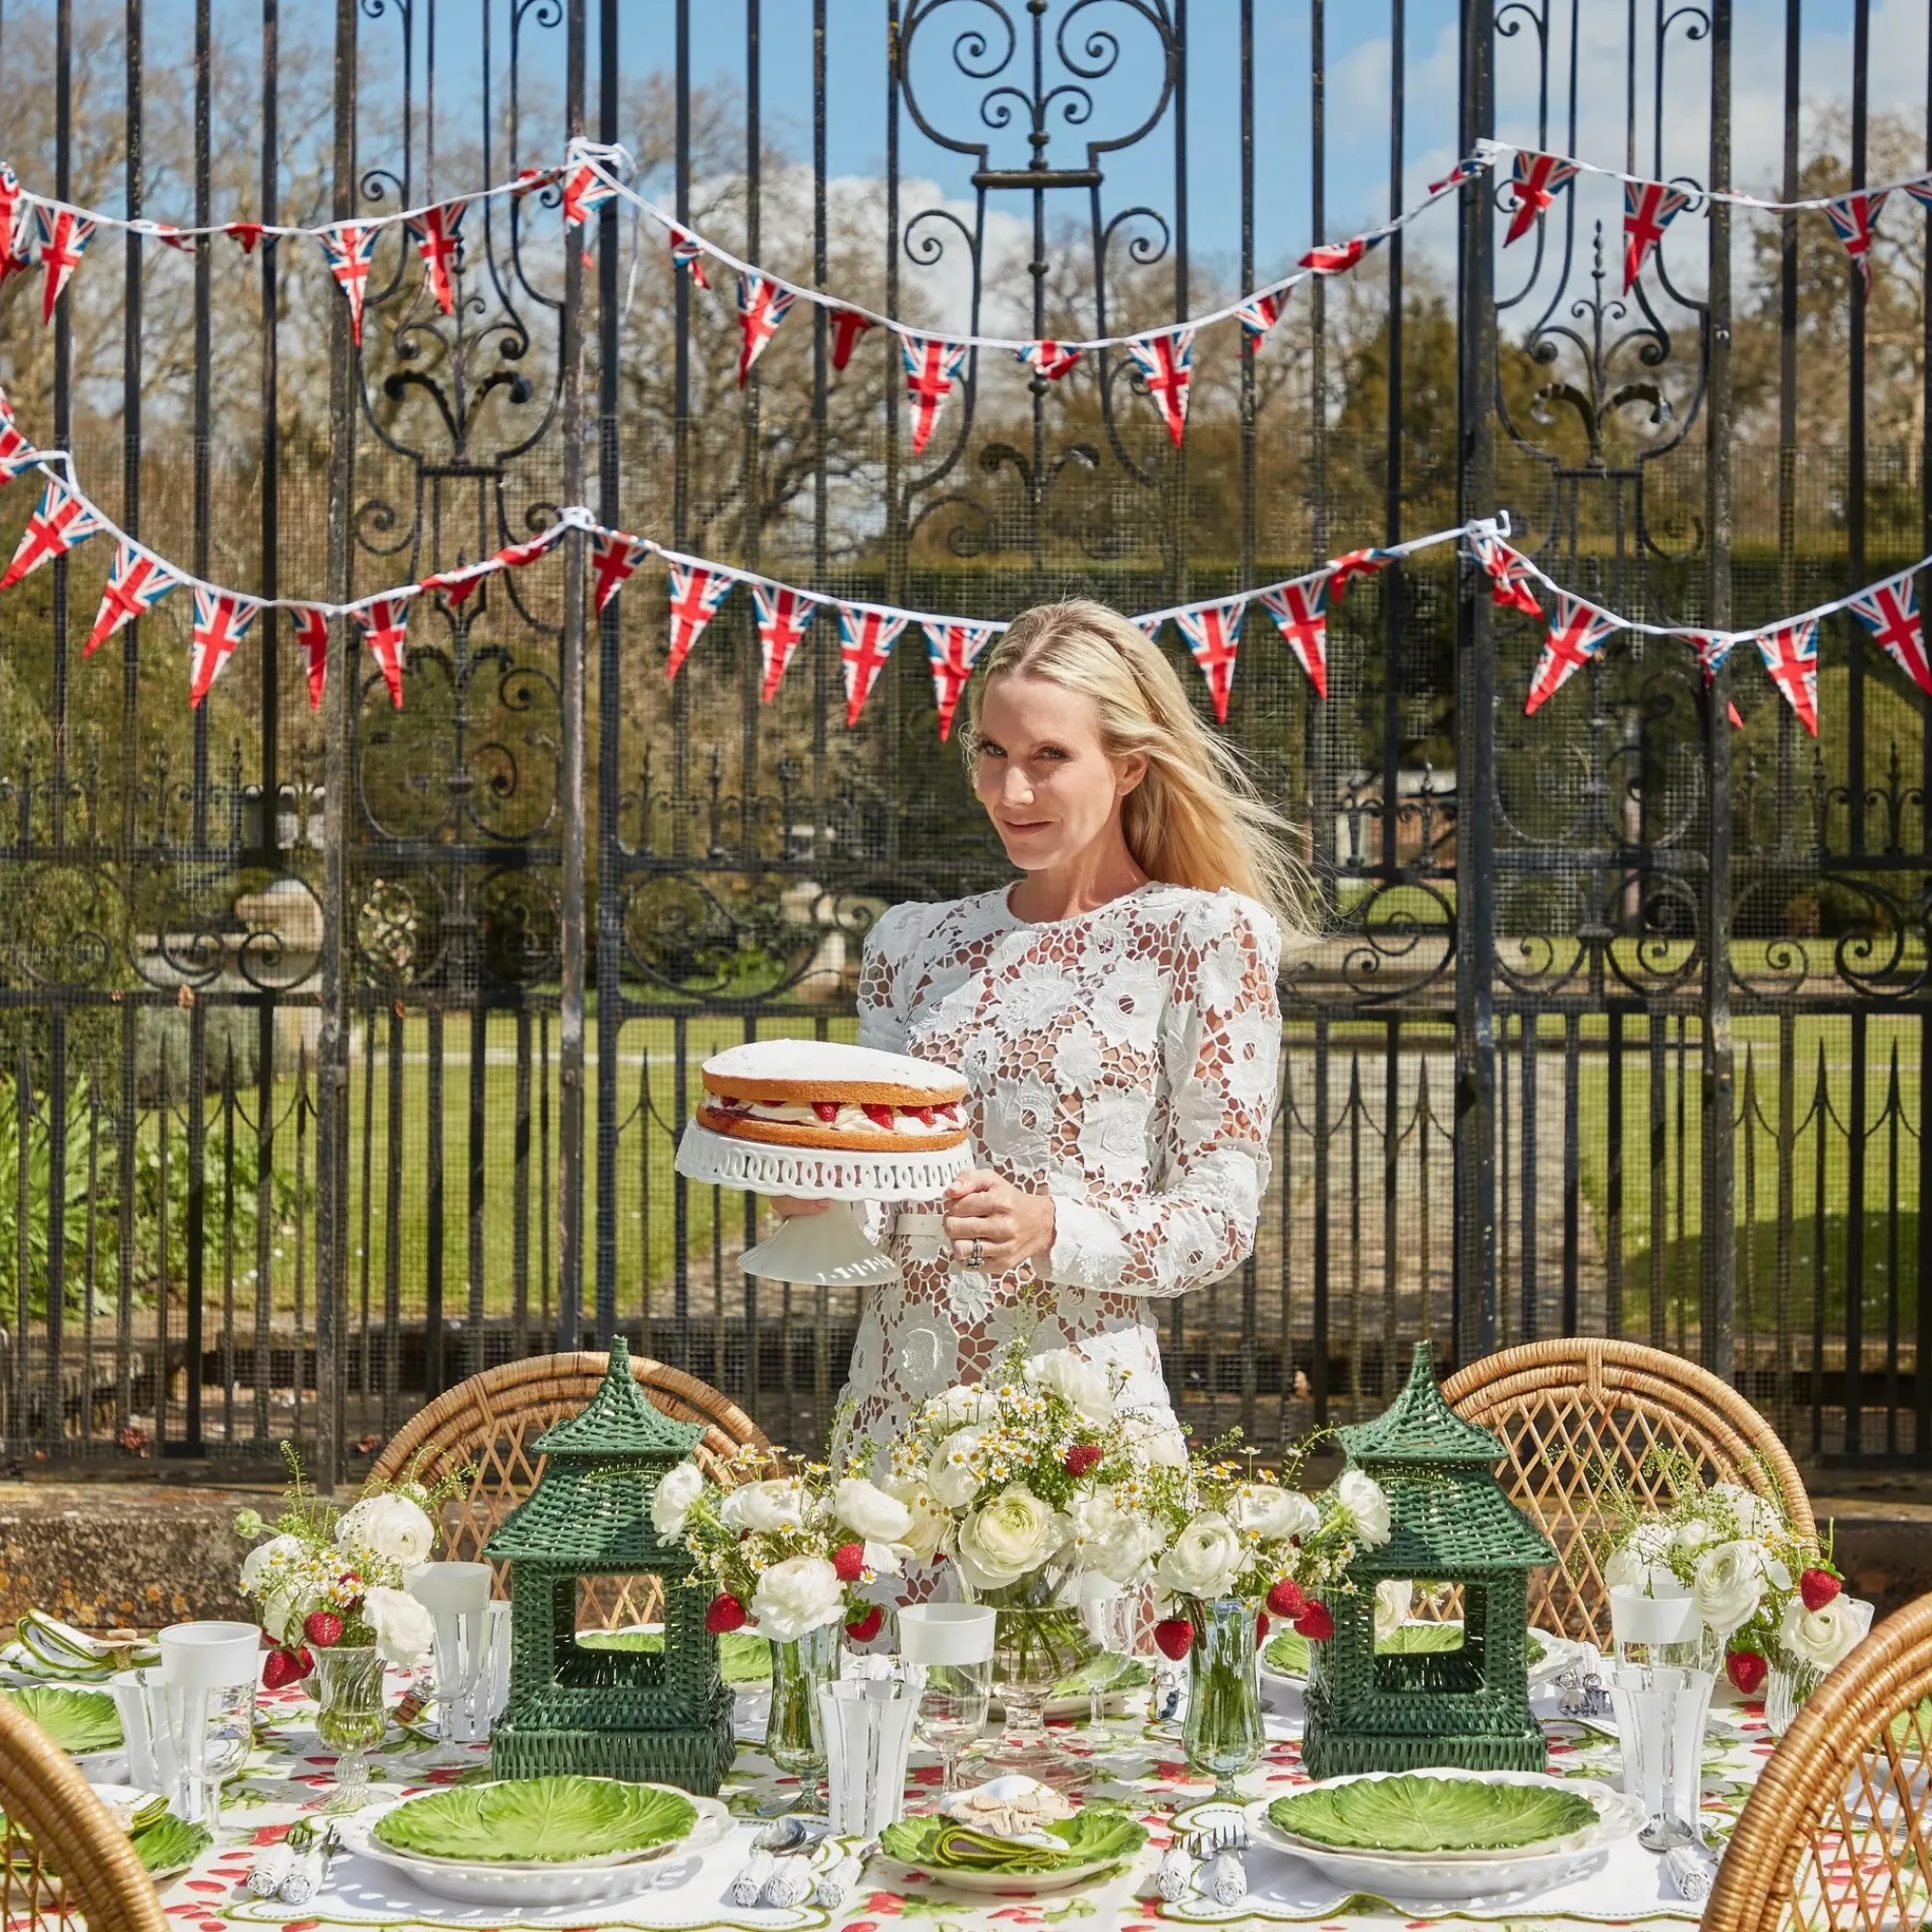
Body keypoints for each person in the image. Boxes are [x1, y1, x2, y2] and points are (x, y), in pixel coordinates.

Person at [774, 597, 1300, 1493]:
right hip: (902, 1423)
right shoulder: (911, 944)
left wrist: (1052, 1226)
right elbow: (879, 1198)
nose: (1009, 792)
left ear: (1129, 765)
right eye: (993, 753)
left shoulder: (1206, 938)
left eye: (1048, 758)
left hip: (1089, 1432)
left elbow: (1222, 1216)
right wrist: (814, 1201)